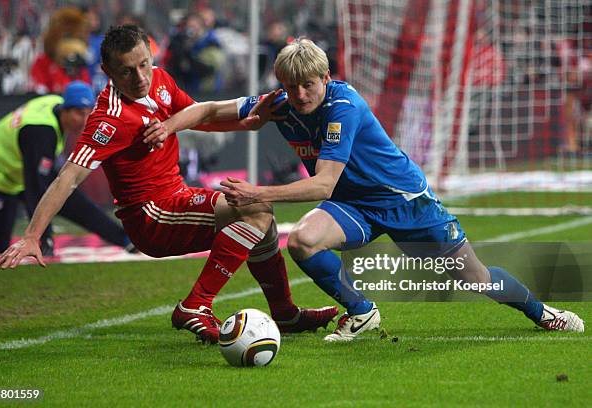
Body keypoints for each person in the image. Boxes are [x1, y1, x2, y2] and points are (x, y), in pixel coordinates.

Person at [149, 38, 585, 342]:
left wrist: (258, 194)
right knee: (301, 240)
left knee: (475, 279)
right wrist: (169, 124)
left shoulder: (344, 106)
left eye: (309, 84)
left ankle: (544, 314)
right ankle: (362, 312)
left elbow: (322, 183)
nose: (300, 94)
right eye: (291, 85)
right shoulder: (280, 103)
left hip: (405, 203)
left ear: (325, 76)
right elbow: (208, 108)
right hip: (355, 204)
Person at [0, 26, 337, 344]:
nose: (141, 77)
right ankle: (196, 305)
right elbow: (67, 177)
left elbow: (198, 115)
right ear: (109, 72)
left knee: (261, 219)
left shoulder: (159, 80)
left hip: (176, 197)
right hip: (150, 216)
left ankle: (285, 314)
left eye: (144, 64)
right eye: (128, 71)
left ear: (151, 56)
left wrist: (245, 124)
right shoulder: (109, 119)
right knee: (255, 208)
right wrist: (32, 235)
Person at [0, 81, 135, 255]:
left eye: (87, 113)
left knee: (68, 194)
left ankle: (124, 238)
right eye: (78, 113)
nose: (84, 121)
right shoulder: (41, 131)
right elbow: (35, 188)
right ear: (65, 110)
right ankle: (122, 238)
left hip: (16, 175)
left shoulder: (55, 104)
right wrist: (43, 238)